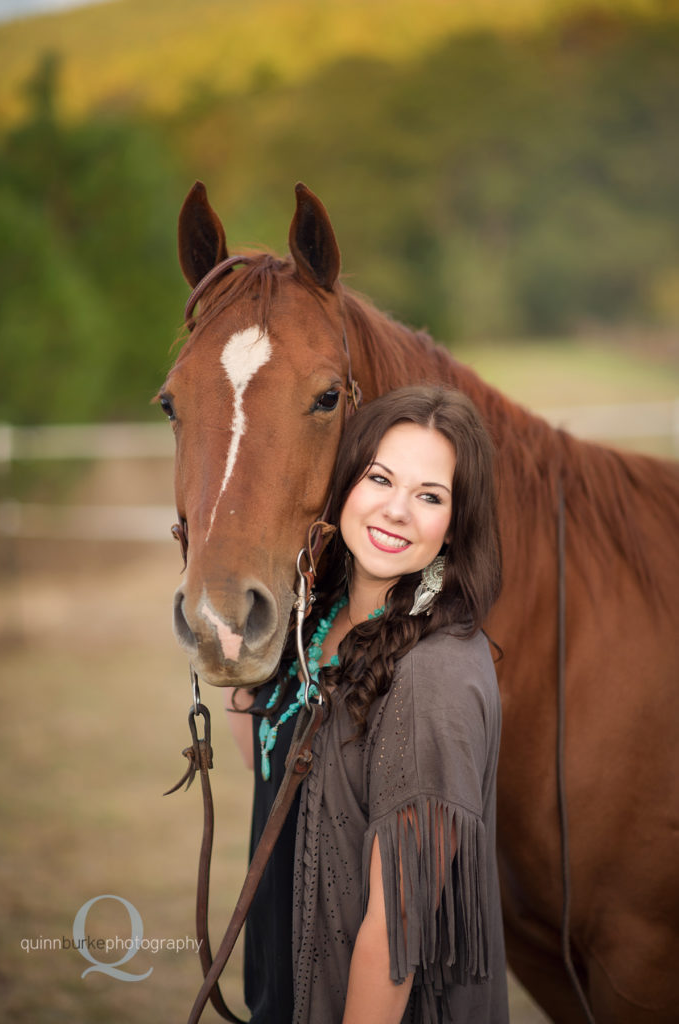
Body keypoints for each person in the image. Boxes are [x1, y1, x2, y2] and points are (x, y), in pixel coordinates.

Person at [224, 385, 508, 1024]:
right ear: (347, 482)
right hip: (281, 986)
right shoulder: (318, 621)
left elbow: (394, 931)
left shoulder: (434, 676)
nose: (397, 510)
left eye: (430, 496)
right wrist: (239, 652)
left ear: (456, 524)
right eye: (381, 478)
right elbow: (264, 765)